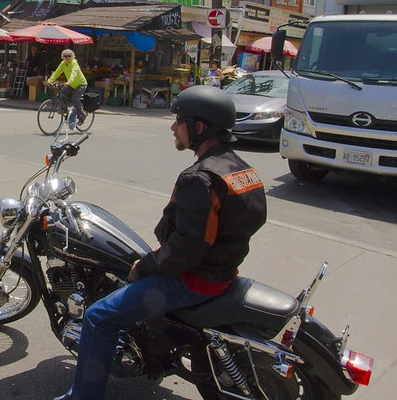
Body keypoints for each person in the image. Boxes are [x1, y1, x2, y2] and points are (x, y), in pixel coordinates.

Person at [56, 85, 267, 400]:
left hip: (195, 279)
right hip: (223, 269)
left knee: (98, 316)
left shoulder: (200, 177)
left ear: (199, 126)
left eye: (178, 120)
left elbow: (189, 247)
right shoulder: (242, 169)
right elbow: (248, 221)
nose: (172, 127)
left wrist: (146, 266)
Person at [47, 48, 88, 128]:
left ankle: (82, 116)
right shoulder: (63, 64)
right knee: (62, 93)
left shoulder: (74, 63)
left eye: (69, 56)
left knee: (75, 99)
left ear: (72, 56)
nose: (67, 58)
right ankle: (65, 110)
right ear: (63, 57)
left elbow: (74, 74)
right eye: (65, 56)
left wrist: (68, 82)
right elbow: (57, 73)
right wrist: (50, 80)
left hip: (81, 84)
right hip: (71, 84)